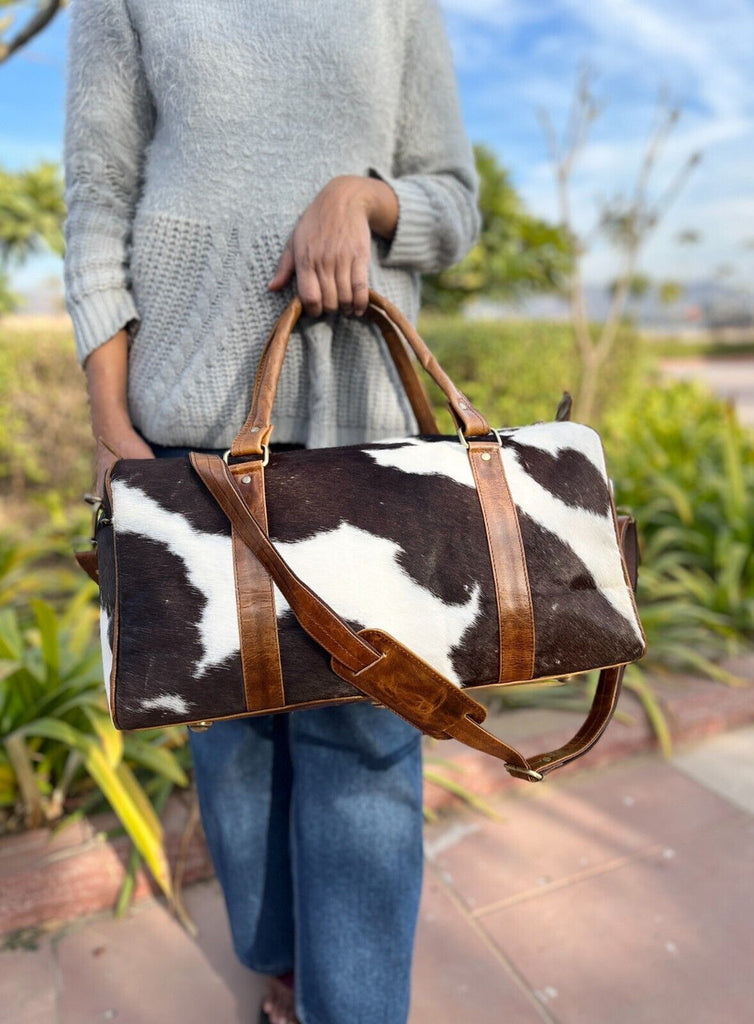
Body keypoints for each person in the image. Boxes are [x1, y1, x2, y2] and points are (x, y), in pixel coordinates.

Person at [63, 2, 480, 1021]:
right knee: (232, 743)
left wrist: (364, 198)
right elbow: (99, 196)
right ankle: (283, 962)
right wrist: (111, 420)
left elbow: (455, 204)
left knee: (368, 749)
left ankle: (355, 1007)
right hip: (186, 444)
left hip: (363, 442)